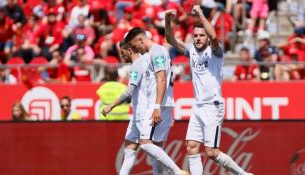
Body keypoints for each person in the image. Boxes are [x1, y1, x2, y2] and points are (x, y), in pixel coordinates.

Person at [165, 6, 253, 175]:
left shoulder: (215, 51)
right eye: (196, 36)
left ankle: (243, 174)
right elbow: (171, 40)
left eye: (201, 36)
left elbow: (213, 36)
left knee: (211, 152)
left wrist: (200, 14)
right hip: (198, 106)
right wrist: (168, 22)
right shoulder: (191, 50)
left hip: (213, 106)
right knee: (191, 147)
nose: (198, 39)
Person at [121, 27, 188, 175]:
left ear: (140, 39)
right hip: (162, 103)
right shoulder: (153, 53)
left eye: (134, 45)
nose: (135, 49)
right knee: (156, 147)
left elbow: (162, 79)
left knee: (145, 144)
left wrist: (157, 107)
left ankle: (177, 172)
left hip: (158, 103)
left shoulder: (156, 51)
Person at [103, 40, 158, 174]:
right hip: (137, 114)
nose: (121, 56)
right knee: (129, 149)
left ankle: (176, 171)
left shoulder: (137, 65)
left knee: (148, 146)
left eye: (122, 53)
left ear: (129, 51)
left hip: (142, 114)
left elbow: (128, 92)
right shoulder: (142, 63)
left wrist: (111, 106)